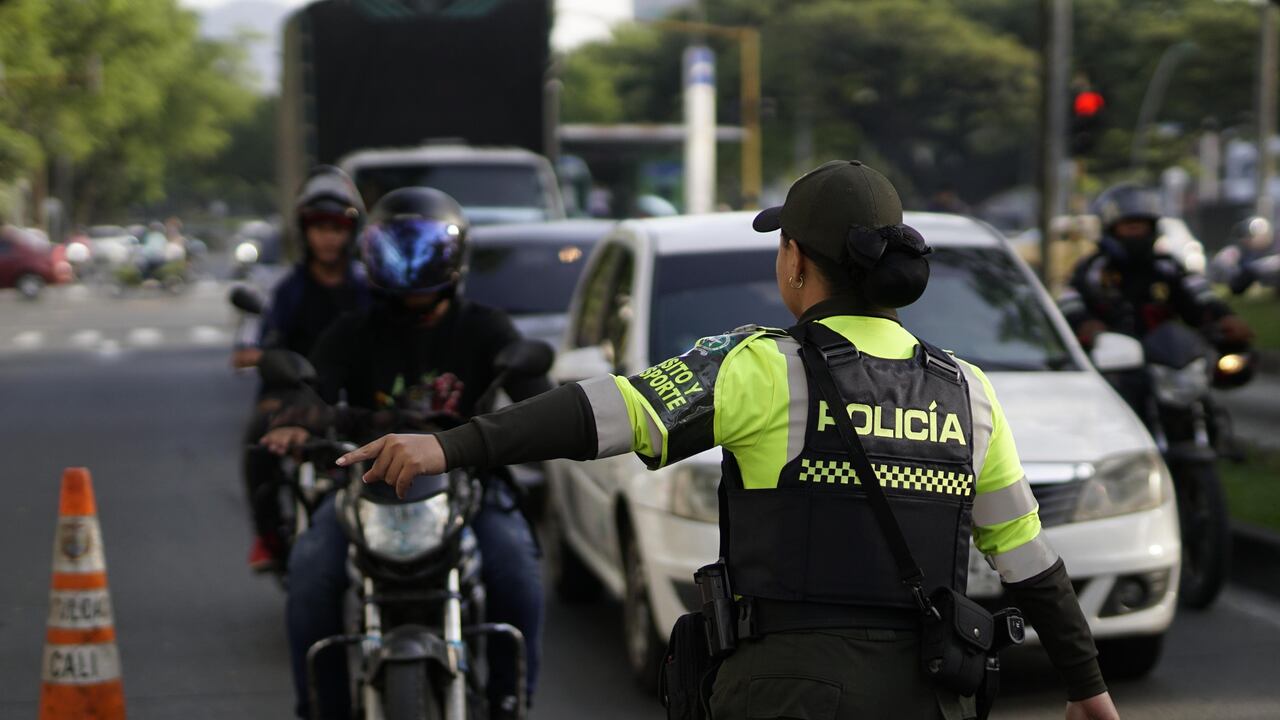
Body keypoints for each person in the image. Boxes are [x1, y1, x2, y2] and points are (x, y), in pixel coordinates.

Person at [340, 161, 1121, 720]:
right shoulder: (967, 391)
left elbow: (603, 414)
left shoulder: (757, 367)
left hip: (785, 692)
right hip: (930, 693)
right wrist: (1087, 687)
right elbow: (1029, 562)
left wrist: (452, 446)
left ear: (795, 263)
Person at [259, 187, 547, 720]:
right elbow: (309, 394)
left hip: (469, 485)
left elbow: (536, 398)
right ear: (372, 252)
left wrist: (533, 389)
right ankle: (322, 707)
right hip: (367, 489)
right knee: (310, 576)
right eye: (398, 247)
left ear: (454, 255)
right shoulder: (350, 332)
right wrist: (297, 423)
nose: (412, 264)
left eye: (425, 247)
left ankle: (510, 700)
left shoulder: (486, 327)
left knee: (516, 570)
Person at [241, 166, 372, 571]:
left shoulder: (369, 286)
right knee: (258, 442)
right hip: (293, 390)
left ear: (352, 231)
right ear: (304, 231)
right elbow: (259, 343)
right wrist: (266, 358)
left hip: (354, 389)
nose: (328, 237)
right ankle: (267, 535)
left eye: (337, 227)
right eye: (318, 227)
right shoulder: (289, 288)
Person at [1058, 183, 1252, 353]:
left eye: (1141, 225)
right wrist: (1084, 323)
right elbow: (1068, 299)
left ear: (1153, 228)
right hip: (1111, 363)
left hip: (1165, 361)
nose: (1136, 231)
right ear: (1111, 229)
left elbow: (1199, 293)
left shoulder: (1167, 267)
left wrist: (1224, 317)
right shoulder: (1094, 269)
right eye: (1128, 225)